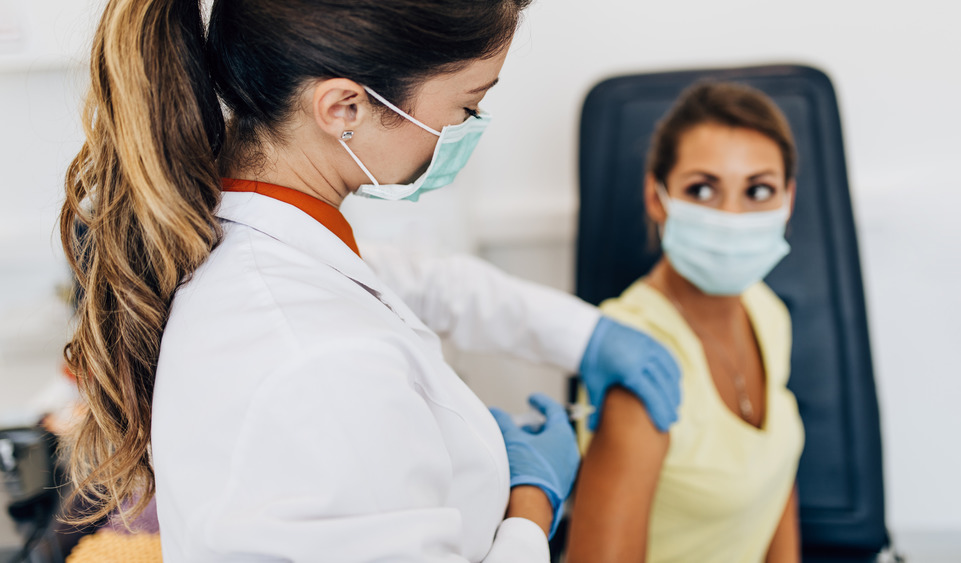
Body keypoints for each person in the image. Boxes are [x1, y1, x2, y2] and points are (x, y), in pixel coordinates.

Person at [58, 1, 682, 561]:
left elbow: (418, 281)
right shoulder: (315, 359)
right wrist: (529, 507)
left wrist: (587, 334)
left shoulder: (260, 233)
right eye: (467, 104)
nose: (472, 125)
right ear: (344, 108)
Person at [565, 82, 805, 563]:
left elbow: (774, 486)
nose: (731, 216)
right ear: (657, 197)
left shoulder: (766, 311)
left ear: (788, 199)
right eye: (702, 189)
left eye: (758, 190)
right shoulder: (636, 360)